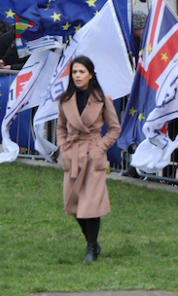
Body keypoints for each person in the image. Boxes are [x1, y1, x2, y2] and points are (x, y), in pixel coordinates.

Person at [56, 56, 122, 264]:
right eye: (74, 72)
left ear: (91, 74)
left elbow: (114, 129)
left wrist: (100, 147)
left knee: (90, 206)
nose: (77, 75)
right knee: (74, 204)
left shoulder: (103, 99)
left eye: (81, 72)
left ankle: (91, 248)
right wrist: (64, 147)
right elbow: (60, 127)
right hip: (73, 155)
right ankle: (92, 242)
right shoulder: (65, 100)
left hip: (93, 156)